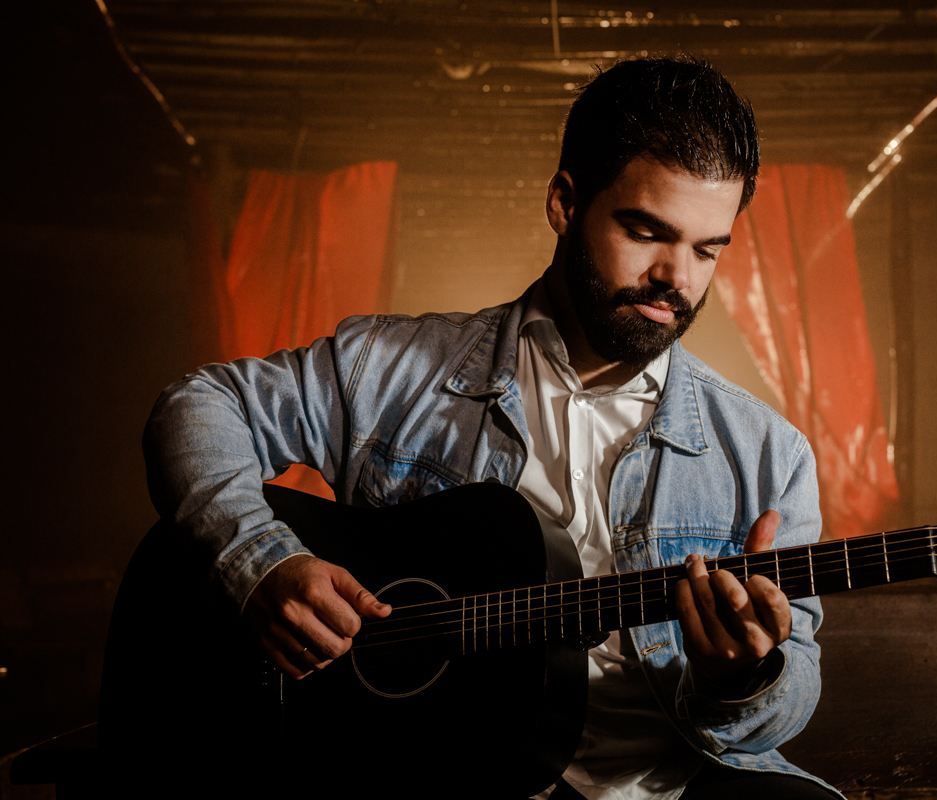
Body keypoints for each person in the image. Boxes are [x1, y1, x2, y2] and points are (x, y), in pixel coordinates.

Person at [144, 56, 842, 800]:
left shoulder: (769, 453)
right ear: (564, 203)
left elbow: (793, 689)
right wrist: (260, 565)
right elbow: (195, 407)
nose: (679, 277)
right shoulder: (391, 369)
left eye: (707, 249)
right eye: (646, 232)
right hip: (433, 776)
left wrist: (745, 677)